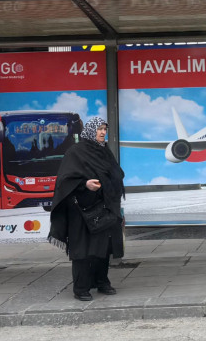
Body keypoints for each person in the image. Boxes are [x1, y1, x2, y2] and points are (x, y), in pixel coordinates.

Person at [49, 116, 125, 301]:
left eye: (105, 129)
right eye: (99, 129)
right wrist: (85, 184)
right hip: (82, 212)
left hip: (105, 207)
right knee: (82, 250)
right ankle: (81, 288)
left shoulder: (104, 151)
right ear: (91, 131)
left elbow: (116, 173)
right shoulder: (76, 152)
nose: (103, 132)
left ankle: (102, 282)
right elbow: (64, 181)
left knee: (104, 248)